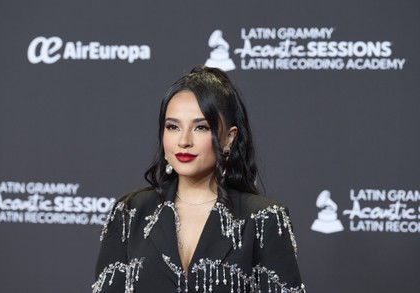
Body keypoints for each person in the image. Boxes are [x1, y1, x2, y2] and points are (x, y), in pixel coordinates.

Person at [92, 65, 306, 293]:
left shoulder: (264, 219)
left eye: (201, 127)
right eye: (173, 126)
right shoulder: (130, 213)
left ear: (228, 138)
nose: (184, 141)